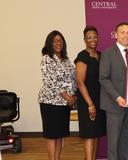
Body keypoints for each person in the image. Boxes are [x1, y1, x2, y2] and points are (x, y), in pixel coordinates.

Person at [99, 22, 128, 160]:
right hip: (114, 105)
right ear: (115, 34)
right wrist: (118, 97)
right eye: (122, 32)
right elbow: (103, 78)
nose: (126, 35)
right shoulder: (108, 53)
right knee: (114, 143)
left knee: (127, 141)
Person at [38, 30, 77, 160]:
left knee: (60, 135)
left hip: (64, 104)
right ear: (49, 43)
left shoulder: (66, 60)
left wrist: (74, 96)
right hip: (50, 103)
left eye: (60, 40)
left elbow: (73, 79)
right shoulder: (46, 59)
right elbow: (51, 81)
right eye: (55, 41)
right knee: (52, 136)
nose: (58, 43)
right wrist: (68, 98)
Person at [74, 26, 106, 160]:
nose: (92, 39)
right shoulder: (82, 56)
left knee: (96, 134)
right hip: (88, 102)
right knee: (89, 134)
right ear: (84, 40)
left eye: (95, 36)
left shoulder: (100, 55)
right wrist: (90, 104)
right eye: (89, 37)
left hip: (100, 101)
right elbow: (80, 82)